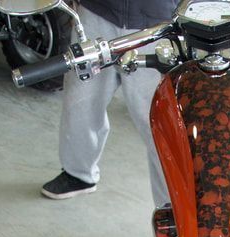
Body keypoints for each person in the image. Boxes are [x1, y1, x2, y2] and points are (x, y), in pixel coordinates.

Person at [41, 0, 177, 206]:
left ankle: (172, 208)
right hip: (97, 11)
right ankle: (78, 174)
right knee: (80, 101)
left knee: (159, 120)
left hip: (157, 22)